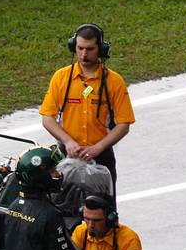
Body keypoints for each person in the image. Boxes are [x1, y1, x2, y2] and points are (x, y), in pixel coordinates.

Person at [39, 24, 135, 189]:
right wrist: (68, 142)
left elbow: (124, 124)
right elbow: (47, 118)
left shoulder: (114, 82)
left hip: (101, 157)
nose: (84, 54)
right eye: (80, 48)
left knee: (102, 204)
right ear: (73, 47)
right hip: (67, 155)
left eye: (90, 49)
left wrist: (98, 147)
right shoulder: (61, 77)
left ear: (101, 49)